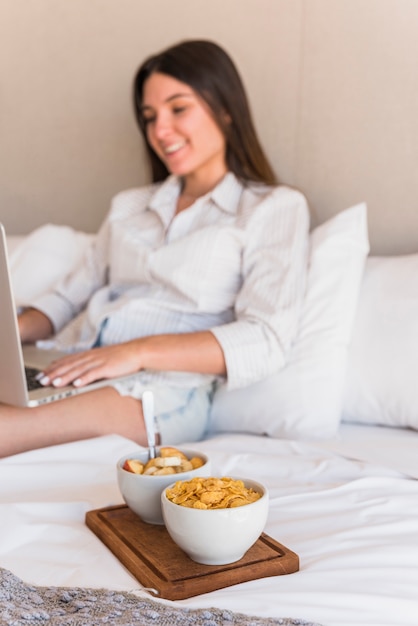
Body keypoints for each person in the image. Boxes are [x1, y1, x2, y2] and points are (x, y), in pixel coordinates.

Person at [0, 39, 310, 458]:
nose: (160, 131)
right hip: (73, 363)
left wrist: (135, 352)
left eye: (178, 109)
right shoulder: (129, 207)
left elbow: (265, 338)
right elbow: (67, 297)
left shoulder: (272, 208)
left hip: (163, 389)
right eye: (150, 117)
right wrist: (9, 332)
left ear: (225, 109)